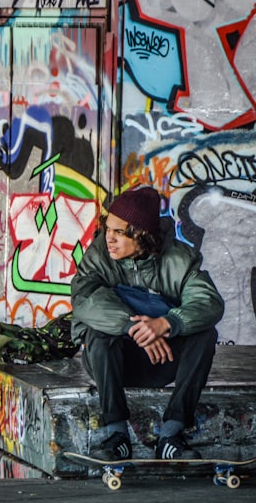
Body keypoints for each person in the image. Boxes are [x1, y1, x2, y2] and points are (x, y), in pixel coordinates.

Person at [70, 186, 225, 461]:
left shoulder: (179, 259)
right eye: (109, 229)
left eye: (120, 232)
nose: (110, 239)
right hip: (111, 363)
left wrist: (167, 323)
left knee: (205, 335)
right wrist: (135, 328)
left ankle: (171, 435)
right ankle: (116, 435)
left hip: (161, 362)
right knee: (98, 333)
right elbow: (84, 299)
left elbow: (208, 302)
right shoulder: (99, 256)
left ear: (141, 235)